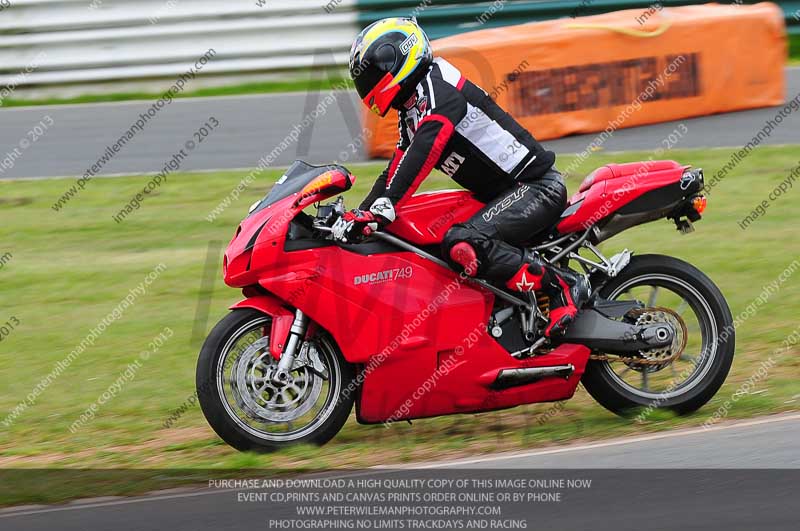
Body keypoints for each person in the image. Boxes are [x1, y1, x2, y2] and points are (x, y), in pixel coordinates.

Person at [332, 17, 588, 337]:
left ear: (397, 57)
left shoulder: (439, 84)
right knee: (426, 234)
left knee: (463, 241)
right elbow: (395, 168)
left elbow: (426, 146)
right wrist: (361, 214)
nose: (368, 83)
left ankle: (562, 287)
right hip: (502, 196)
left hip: (534, 187)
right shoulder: (414, 106)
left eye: (372, 72)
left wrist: (385, 206)